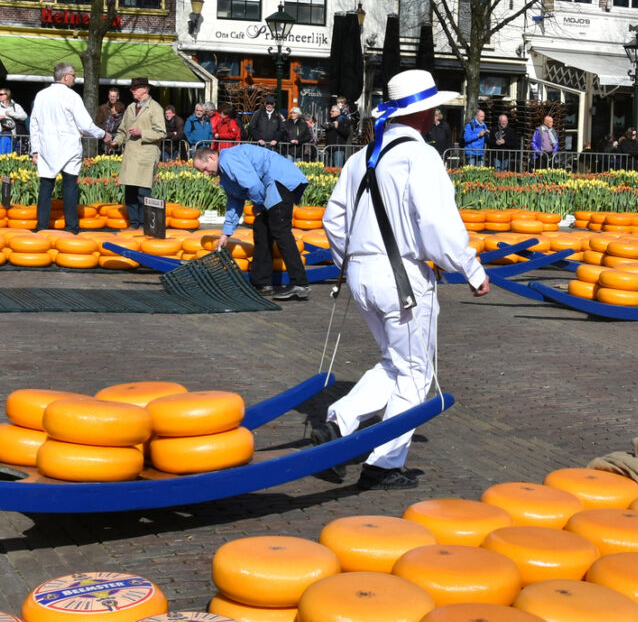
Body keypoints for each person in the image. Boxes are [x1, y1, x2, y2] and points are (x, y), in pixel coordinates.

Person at [320, 69, 487, 490]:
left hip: (360, 273)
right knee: (416, 373)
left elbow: (333, 218)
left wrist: (354, 259)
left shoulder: (362, 158)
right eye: (433, 109)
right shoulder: (421, 156)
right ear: (422, 113)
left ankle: (338, 423)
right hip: (402, 277)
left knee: (396, 362)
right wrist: (469, 266)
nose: (436, 116)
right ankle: (383, 462)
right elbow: (436, 222)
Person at [194, 142, 311, 301]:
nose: (206, 174)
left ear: (211, 157)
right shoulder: (225, 173)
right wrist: (226, 233)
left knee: (279, 230)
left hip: (279, 181)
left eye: (205, 168)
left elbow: (253, 184)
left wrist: (259, 206)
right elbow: (234, 201)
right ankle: (262, 283)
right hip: (271, 187)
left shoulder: (228, 159)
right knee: (261, 229)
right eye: (202, 172)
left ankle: (300, 283)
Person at [28, 62, 106, 233]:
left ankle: (41, 226)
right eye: (73, 75)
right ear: (65, 77)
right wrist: (103, 135)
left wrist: (35, 150)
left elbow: (33, 124)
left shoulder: (41, 95)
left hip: (47, 147)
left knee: (46, 186)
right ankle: (71, 226)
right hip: (69, 147)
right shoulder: (72, 97)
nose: (74, 79)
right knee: (70, 186)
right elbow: (85, 125)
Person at [110, 77, 165, 230]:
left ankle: (144, 224)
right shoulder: (130, 108)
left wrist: (142, 132)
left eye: (135, 88)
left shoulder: (155, 108)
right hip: (131, 155)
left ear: (144, 89)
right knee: (130, 192)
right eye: (132, 89)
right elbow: (122, 130)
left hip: (146, 155)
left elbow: (161, 133)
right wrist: (116, 142)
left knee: (143, 192)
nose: (132, 91)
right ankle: (134, 224)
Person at [0, 88, 26, 153]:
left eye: (1, 94)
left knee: (10, 155)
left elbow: (24, 116)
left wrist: (11, 114)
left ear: (7, 95)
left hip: (12, 135)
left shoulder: (15, 106)